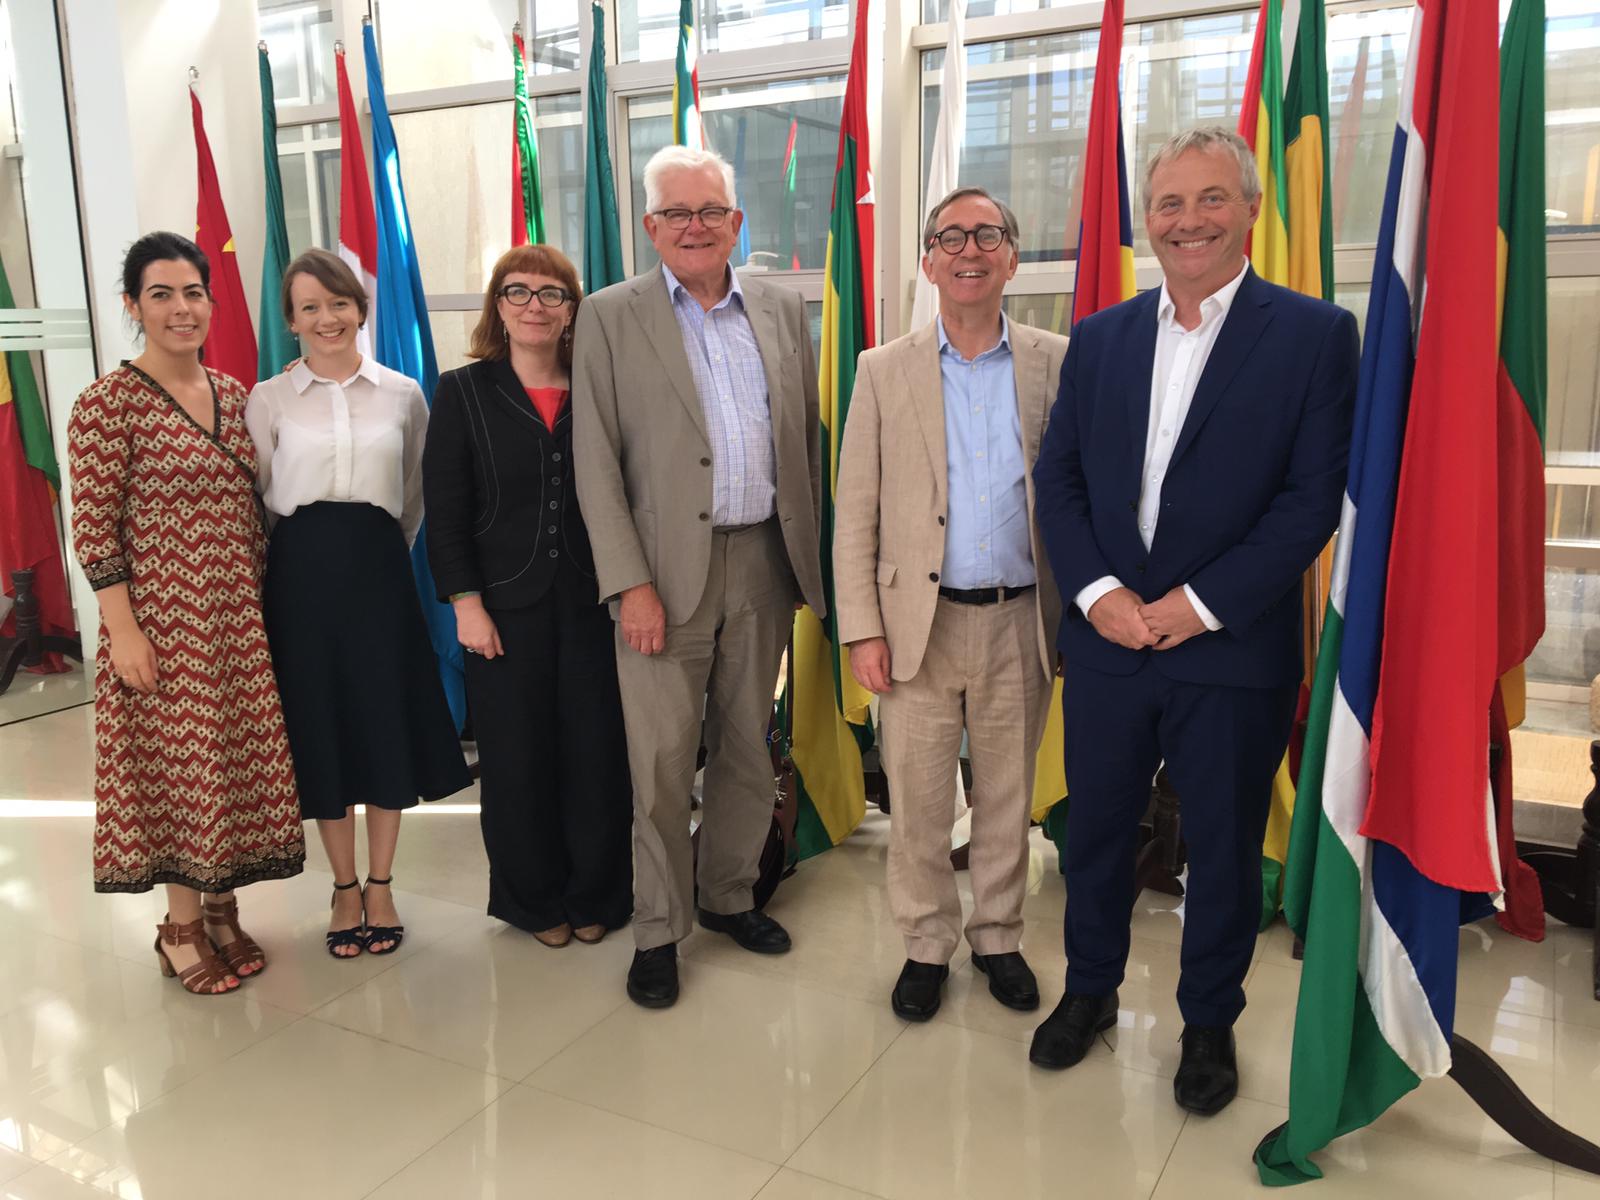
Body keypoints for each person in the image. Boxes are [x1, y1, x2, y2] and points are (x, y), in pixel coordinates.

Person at [1028, 127, 1358, 1114]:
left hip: (1230, 649)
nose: (1188, 221)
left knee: (1219, 849)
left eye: (1210, 199)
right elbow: (1061, 480)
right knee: (1092, 837)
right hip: (1108, 647)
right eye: (1168, 204)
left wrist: (1194, 606)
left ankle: (1208, 1021)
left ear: (1250, 208)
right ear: (1146, 220)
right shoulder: (1099, 337)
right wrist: (1101, 598)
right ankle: (1088, 990)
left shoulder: (1311, 335)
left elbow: (1310, 499)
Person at [572, 144, 825, 1009]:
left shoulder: (785, 312)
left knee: (747, 745)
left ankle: (727, 896)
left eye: (710, 211)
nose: (694, 226)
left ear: (736, 222)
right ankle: (658, 929)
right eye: (676, 213)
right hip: (660, 577)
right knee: (659, 764)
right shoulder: (610, 317)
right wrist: (627, 584)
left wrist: (805, 565)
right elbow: (594, 462)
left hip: (763, 560)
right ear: (650, 227)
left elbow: (806, 439)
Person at [833, 187, 1068, 1022]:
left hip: (1020, 618)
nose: (969, 250)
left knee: (1006, 796)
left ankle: (998, 935)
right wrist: (861, 628)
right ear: (929, 259)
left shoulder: (1055, 360)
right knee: (921, 801)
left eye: (987, 235)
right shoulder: (880, 368)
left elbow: (1075, 497)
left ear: (1012, 254)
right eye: (950, 237)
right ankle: (926, 942)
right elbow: (854, 508)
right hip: (912, 630)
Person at [67, 231, 305, 994]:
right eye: (161, 294)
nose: (181, 308)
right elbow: (93, 527)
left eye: (193, 292)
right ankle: (178, 925)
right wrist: (123, 630)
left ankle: (221, 906)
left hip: (237, 617)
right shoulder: (107, 404)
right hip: (161, 626)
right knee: (179, 770)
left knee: (231, 760)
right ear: (133, 305)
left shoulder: (237, 395)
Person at [245, 249, 470, 959]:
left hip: (378, 571)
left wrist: (377, 548)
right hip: (301, 577)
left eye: (337, 303)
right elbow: (258, 494)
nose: (326, 318)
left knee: (383, 722)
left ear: (359, 308)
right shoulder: (269, 398)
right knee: (324, 725)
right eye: (309, 307)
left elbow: (412, 497)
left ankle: (381, 883)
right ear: (291, 321)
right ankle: (342, 886)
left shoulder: (403, 393)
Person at [422, 245, 632, 947]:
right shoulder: (462, 391)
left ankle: (597, 892)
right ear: (498, 306)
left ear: (573, 310)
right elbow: (444, 513)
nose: (535, 306)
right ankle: (534, 901)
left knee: (596, 756)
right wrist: (465, 604)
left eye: (552, 294)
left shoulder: (601, 385)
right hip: (500, 609)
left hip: (591, 601)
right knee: (516, 762)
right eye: (519, 292)